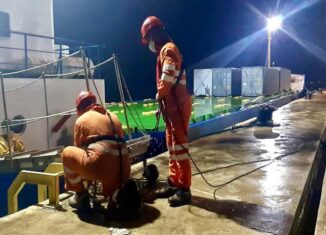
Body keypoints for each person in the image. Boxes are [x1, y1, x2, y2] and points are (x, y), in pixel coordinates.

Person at [141, 16, 192, 207]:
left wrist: (158, 93)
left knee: (179, 148)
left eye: (149, 39)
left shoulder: (168, 49)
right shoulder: (164, 49)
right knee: (172, 147)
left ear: (154, 34)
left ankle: (184, 190)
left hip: (177, 107)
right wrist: (159, 106)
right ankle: (174, 182)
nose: (149, 44)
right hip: (171, 108)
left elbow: (168, 75)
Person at [61, 91, 139, 216]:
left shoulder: (81, 120)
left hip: (102, 166)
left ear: (80, 108)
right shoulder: (113, 116)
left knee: (67, 153)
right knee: (109, 165)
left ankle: (81, 196)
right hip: (124, 169)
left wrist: (88, 179)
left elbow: (79, 152)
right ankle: (114, 199)